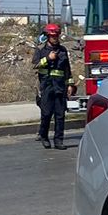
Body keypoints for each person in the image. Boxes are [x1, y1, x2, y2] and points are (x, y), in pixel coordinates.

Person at [33, 22, 76, 150]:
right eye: (53, 36)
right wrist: (48, 58)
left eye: (56, 36)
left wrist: (70, 85)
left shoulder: (63, 50)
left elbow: (67, 69)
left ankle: (59, 141)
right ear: (47, 36)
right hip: (46, 86)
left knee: (60, 115)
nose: (55, 38)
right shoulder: (40, 50)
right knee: (46, 114)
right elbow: (34, 65)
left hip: (60, 86)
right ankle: (44, 137)